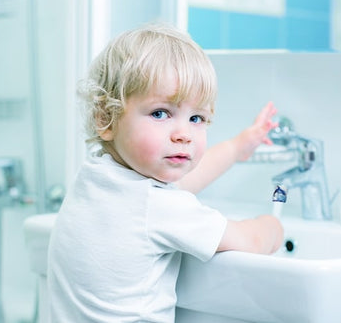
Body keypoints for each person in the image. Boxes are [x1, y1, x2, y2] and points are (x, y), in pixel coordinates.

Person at [47, 24, 283, 323]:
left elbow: (181, 186)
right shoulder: (157, 207)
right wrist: (272, 226)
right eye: (160, 113)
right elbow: (250, 243)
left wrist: (238, 147)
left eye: (197, 118)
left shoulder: (97, 180)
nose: (184, 134)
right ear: (106, 118)